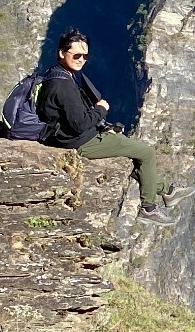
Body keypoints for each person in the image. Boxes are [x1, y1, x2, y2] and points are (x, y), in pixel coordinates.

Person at [36, 30, 175, 223]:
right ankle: (149, 208)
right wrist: (101, 109)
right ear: (62, 53)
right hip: (78, 142)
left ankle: (167, 190)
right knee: (146, 153)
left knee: (129, 149)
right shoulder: (63, 85)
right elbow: (80, 124)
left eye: (85, 56)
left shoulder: (58, 74)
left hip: (71, 135)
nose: (81, 60)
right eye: (76, 55)